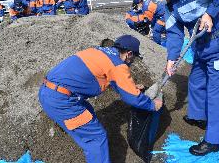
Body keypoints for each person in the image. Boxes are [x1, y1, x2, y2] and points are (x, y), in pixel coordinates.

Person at [140, 0, 219, 156]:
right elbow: (175, 34)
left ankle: (214, 140)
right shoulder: (169, 6)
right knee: (196, 81)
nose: (152, 0)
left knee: (216, 92)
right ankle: (199, 117)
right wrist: (171, 59)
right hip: (200, 47)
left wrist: (210, 13)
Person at [38, 35, 163, 163]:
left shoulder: (97, 51)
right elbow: (132, 99)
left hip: (48, 91)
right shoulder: (118, 65)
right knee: (96, 138)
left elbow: (99, 77)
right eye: (134, 58)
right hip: (61, 101)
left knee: (89, 111)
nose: (132, 61)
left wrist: (130, 87)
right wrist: (152, 105)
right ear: (129, 54)